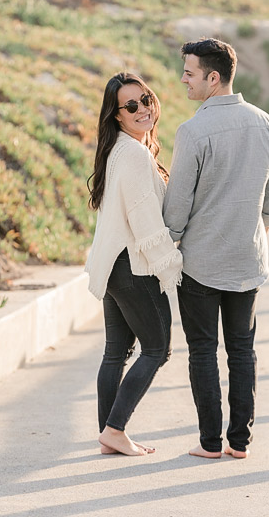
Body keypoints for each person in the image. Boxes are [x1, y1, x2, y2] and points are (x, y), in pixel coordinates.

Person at [163, 38, 269, 460]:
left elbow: (176, 210)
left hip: (200, 263)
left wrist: (167, 244)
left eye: (190, 73)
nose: (183, 79)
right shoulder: (267, 124)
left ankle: (210, 443)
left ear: (213, 78)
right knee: (241, 350)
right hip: (248, 261)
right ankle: (240, 443)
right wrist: (248, 231)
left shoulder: (193, 130)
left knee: (202, 350)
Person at [85, 72, 183, 457]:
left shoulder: (122, 150)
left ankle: (108, 434)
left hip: (113, 265)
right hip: (132, 268)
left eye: (146, 99)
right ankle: (114, 429)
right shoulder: (135, 155)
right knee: (157, 349)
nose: (142, 109)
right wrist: (172, 262)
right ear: (117, 116)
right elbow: (144, 221)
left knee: (115, 352)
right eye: (131, 106)